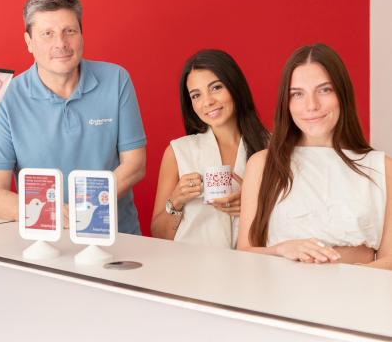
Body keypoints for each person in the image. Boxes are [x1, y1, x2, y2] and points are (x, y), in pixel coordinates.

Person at [0, 0, 146, 234]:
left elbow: (135, 165)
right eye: (47, 34)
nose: (61, 43)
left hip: (117, 237)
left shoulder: (116, 80)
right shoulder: (4, 99)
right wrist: (55, 213)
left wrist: (84, 211)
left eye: (70, 31)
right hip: (42, 242)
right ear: (29, 42)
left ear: (81, 35)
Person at [237, 43, 392, 269]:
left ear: (342, 94)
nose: (311, 105)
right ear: (286, 103)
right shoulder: (262, 163)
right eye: (298, 94)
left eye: (324, 90)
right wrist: (281, 249)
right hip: (280, 290)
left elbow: (390, 260)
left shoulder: (381, 167)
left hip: (357, 290)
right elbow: (245, 252)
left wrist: (345, 282)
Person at [151, 49, 269, 248]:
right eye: (196, 95)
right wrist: (176, 201)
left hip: (250, 264)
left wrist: (255, 208)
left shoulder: (272, 148)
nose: (207, 102)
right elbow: (159, 236)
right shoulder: (178, 152)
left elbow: (293, 226)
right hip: (190, 264)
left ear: (234, 86)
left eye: (216, 87)